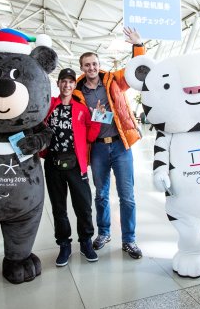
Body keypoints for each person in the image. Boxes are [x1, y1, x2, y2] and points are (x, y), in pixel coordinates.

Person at [73, 27, 145, 259]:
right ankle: (103, 233)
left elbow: (136, 71)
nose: (92, 68)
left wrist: (138, 45)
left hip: (120, 145)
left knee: (127, 196)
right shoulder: (77, 92)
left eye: (94, 63)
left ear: (98, 64)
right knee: (101, 195)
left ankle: (129, 239)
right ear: (82, 68)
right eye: (87, 65)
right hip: (98, 149)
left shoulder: (113, 80)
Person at [40, 68, 104, 267]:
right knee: (59, 208)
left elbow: (91, 136)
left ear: (74, 86)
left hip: (76, 165)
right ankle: (64, 245)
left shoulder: (81, 109)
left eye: (70, 82)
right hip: (53, 164)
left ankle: (85, 242)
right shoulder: (49, 105)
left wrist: (98, 118)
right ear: (58, 84)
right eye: (63, 82)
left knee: (83, 206)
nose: (67, 85)